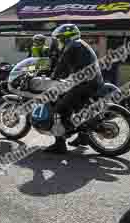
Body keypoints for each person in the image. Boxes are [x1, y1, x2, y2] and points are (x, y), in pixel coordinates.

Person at [43, 23, 104, 154]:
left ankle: (59, 145)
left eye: (60, 39)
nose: (58, 41)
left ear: (66, 38)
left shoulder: (72, 46)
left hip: (83, 85)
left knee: (58, 110)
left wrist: (51, 78)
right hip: (94, 82)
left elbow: (62, 66)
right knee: (77, 108)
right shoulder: (81, 44)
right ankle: (83, 137)